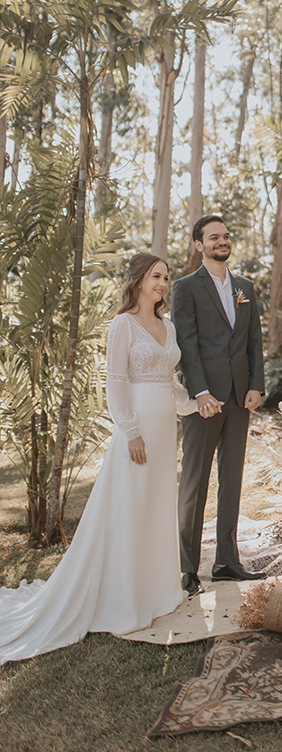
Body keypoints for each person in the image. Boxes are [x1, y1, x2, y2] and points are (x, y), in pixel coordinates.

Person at [0, 253, 186, 664]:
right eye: (155, 276)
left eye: (165, 277)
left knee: (156, 508)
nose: (162, 283)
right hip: (137, 431)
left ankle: (158, 591)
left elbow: (169, 381)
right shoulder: (123, 325)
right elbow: (115, 382)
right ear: (138, 280)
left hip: (165, 431)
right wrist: (131, 430)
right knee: (131, 508)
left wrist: (194, 404)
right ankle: (124, 600)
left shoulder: (169, 326)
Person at [171, 215, 265, 596]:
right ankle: (187, 569)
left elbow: (254, 340)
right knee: (195, 482)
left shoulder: (245, 288)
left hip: (240, 397)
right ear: (199, 245)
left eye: (225, 236)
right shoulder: (185, 288)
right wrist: (200, 392)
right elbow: (187, 344)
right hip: (205, 400)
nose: (222, 241)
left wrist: (256, 385)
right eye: (214, 237)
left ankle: (227, 561)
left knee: (232, 478)